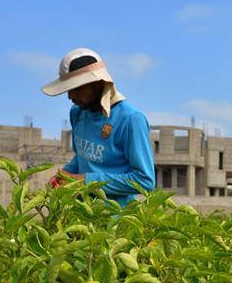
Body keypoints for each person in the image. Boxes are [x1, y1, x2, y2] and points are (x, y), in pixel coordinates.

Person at [42, 47, 156, 207]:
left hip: (113, 220)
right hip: (78, 214)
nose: (70, 96)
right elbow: (83, 158)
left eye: (77, 88)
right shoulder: (77, 113)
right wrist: (65, 174)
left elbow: (145, 180)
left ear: (97, 83)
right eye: (68, 89)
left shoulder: (130, 120)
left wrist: (87, 181)